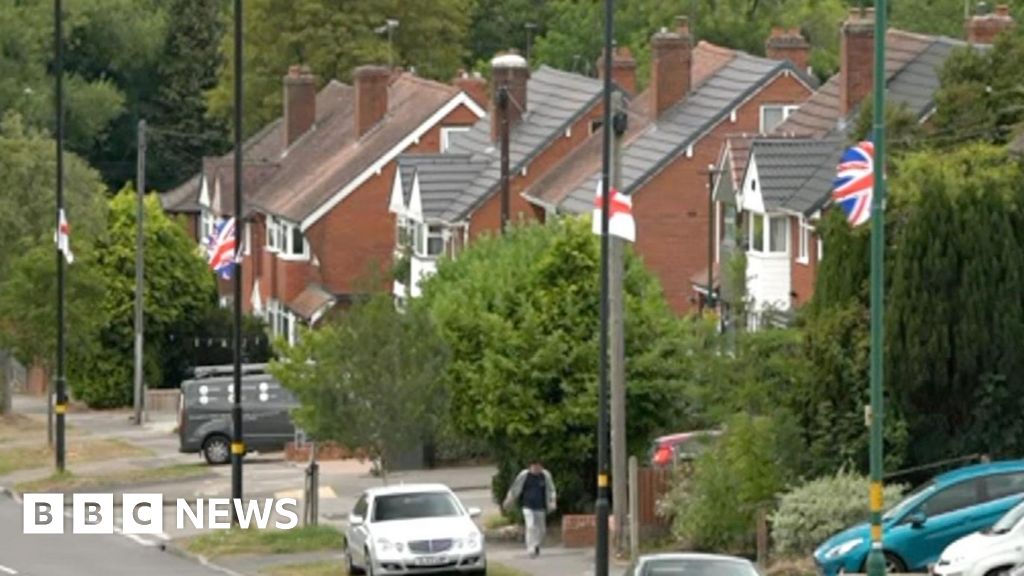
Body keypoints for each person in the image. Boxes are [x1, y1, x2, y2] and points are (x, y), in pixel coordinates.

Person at [503, 460, 557, 557]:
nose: (537, 469)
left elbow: (551, 489)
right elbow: (515, 488)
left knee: (542, 530)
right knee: (530, 526)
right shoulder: (524, 475)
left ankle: (536, 544)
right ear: (530, 467)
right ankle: (530, 548)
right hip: (527, 506)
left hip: (540, 507)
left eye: (539, 467)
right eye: (535, 467)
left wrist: (552, 501)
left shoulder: (545, 476)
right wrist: (509, 500)